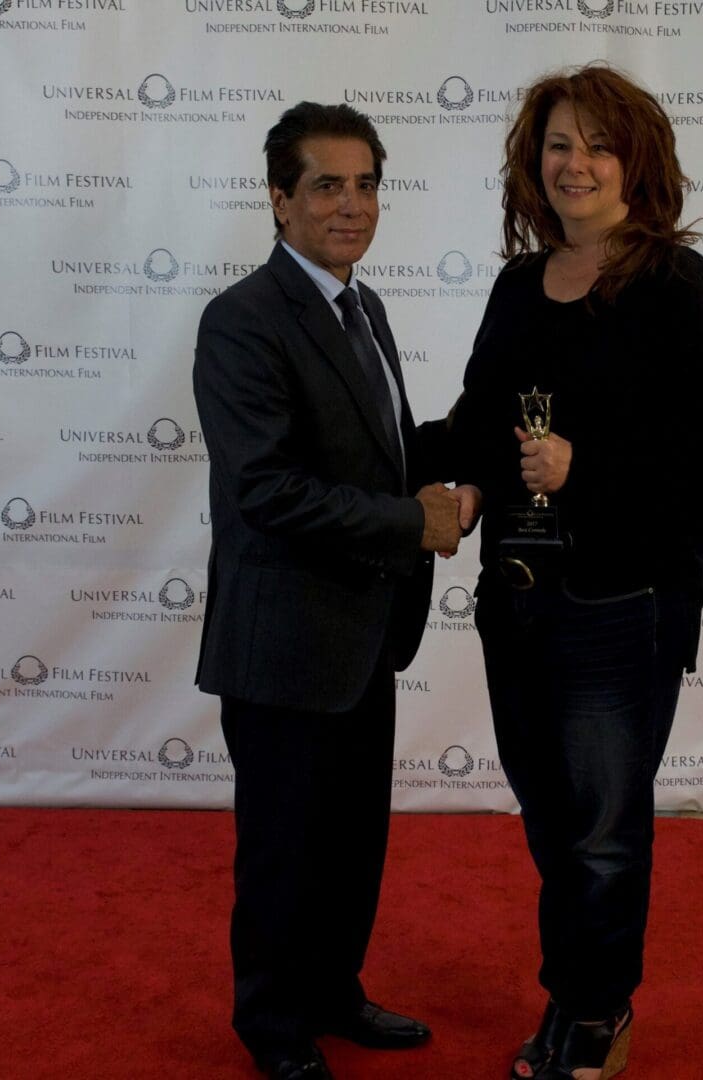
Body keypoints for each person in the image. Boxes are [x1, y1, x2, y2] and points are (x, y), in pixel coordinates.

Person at [449, 65, 703, 1079]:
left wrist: (589, 468)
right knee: (550, 820)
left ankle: (594, 1011)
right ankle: (574, 989)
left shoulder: (676, 285)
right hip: (518, 600)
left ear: (638, 161)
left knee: (603, 829)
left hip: (625, 602)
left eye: (597, 144)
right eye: (559, 145)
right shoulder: (514, 286)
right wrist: (393, 468)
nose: (575, 164)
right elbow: (481, 428)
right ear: (533, 163)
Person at [193, 101, 473, 1080]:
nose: (350, 205)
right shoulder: (241, 321)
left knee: (352, 843)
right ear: (280, 199)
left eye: (365, 185)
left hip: (365, 633)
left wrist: (469, 447)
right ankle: (273, 1027)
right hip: (283, 644)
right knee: (282, 852)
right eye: (326, 185)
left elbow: (381, 458)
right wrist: (416, 522)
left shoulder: (366, 307)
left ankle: (332, 992)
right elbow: (267, 491)